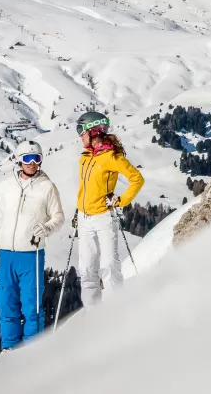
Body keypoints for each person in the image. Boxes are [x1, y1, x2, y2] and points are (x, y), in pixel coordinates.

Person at [0, 140, 64, 351]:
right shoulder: (6, 186)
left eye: (37, 158)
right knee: (6, 303)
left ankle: (32, 351)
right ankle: (9, 348)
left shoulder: (47, 187)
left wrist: (47, 228)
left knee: (32, 306)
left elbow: (58, 217)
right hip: (6, 253)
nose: (32, 163)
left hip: (31, 254)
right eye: (28, 158)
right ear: (19, 160)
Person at [73, 110, 144, 305]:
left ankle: (114, 313)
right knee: (86, 269)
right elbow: (86, 188)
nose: (79, 135)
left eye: (81, 130)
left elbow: (136, 179)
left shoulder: (111, 157)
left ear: (93, 131)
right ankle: (93, 314)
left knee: (109, 266)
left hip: (104, 217)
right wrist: (79, 209)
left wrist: (120, 200)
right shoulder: (85, 158)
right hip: (84, 218)